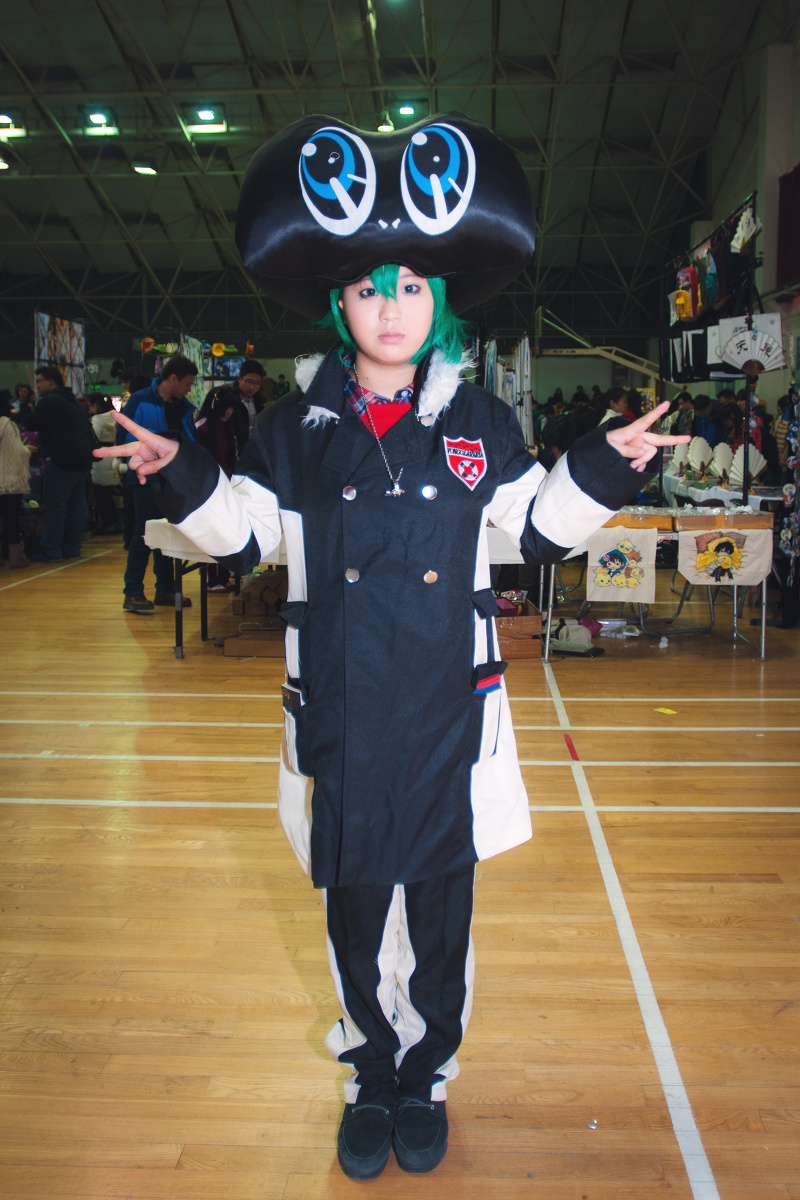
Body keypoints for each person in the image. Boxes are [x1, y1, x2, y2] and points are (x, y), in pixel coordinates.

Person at [96, 113, 689, 1182]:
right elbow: (243, 538)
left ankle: (430, 1075)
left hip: (448, 711)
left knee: (443, 915)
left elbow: (535, 534)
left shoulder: (482, 421)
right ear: (339, 302)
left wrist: (604, 464)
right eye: (370, 288)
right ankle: (371, 1072)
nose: (390, 306)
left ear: (438, 301)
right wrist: (179, 471)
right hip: (342, 709)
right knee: (357, 912)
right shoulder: (292, 428)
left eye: (411, 286)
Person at [118, 355, 198, 613]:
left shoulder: (184, 407)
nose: (189, 389)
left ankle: (165, 588)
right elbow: (124, 436)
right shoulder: (140, 400)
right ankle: (132, 592)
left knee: (167, 532)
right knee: (143, 533)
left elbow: (190, 439)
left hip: (173, 479)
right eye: (187, 384)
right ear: (172, 378)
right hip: (146, 477)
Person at [27, 366, 95, 562]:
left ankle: (52, 549)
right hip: (81, 461)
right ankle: (72, 548)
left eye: (39, 381)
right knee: (76, 505)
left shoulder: (50, 401)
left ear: (51, 381)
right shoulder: (74, 403)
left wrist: (27, 405)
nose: (36, 385)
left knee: (56, 506)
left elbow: (30, 423)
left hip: (60, 461)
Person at [201, 359, 266, 449]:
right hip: (226, 450)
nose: (252, 387)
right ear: (239, 378)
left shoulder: (258, 400)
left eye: (257, 383)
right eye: (248, 381)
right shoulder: (224, 396)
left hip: (250, 451)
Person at [0, 390, 31, 568]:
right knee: (11, 520)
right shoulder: (8, 424)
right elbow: (18, 452)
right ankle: (16, 558)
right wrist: (28, 450)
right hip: (10, 482)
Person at [88, 396, 123, 534]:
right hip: (113, 454)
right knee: (112, 492)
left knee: (101, 492)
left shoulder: (97, 419)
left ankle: (109, 522)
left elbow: (93, 437)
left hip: (100, 458)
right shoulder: (115, 416)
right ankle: (117, 521)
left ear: (96, 405)